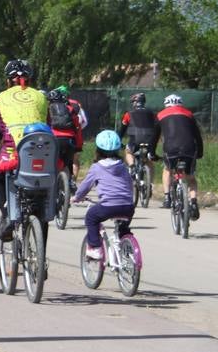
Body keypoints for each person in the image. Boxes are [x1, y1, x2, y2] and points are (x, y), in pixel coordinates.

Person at [0, 59, 50, 241]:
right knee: (41, 208)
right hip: (43, 159)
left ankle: (7, 213)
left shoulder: (0, 99)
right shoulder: (41, 98)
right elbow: (48, 127)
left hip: (13, 157)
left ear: (8, 81)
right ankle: (41, 261)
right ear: (29, 80)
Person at [71, 130, 136, 259]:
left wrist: (77, 197)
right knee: (123, 227)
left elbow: (85, 186)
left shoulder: (97, 167)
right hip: (128, 206)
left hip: (108, 206)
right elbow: (129, 184)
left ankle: (95, 247)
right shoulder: (123, 166)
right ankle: (126, 245)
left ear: (98, 150)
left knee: (91, 217)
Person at [158, 93, 205, 220]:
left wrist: (152, 152)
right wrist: (200, 152)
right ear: (181, 103)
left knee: (167, 170)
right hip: (189, 148)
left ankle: (167, 197)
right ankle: (193, 202)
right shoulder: (189, 114)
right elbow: (197, 136)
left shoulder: (161, 114)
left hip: (171, 149)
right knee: (191, 178)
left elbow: (154, 136)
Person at [117, 92, 159, 193]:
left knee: (128, 151)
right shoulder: (152, 114)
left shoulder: (128, 114)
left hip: (135, 140)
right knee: (149, 162)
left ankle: (132, 167)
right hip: (150, 140)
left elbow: (122, 130)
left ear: (135, 103)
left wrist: (119, 140)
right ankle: (150, 185)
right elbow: (157, 126)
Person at [46, 87, 88, 183]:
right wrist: (79, 144)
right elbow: (77, 125)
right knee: (68, 162)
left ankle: (51, 183)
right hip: (70, 140)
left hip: (54, 139)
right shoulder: (70, 108)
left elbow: (46, 125)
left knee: (52, 161)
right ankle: (70, 183)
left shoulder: (48, 110)